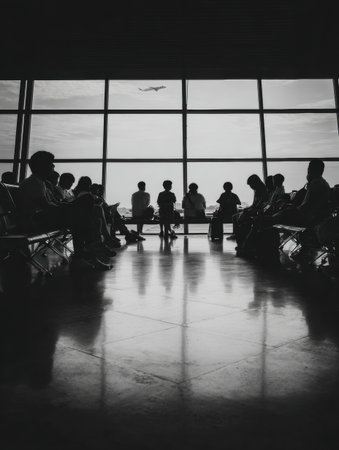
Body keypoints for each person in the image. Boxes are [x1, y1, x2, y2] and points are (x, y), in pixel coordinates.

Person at [17, 151, 117, 268]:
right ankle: (90, 248)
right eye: (51, 164)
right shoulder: (33, 183)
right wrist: (71, 206)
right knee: (87, 205)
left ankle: (87, 252)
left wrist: (69, 206)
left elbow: (51, 205)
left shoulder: (40, 182)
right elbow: (47, 207)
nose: (53, 167)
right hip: (38, 221)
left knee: (89, 212)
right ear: (41, 166)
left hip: (44, 218)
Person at [232, 174, 268, 248]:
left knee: (238, 217)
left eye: (251, 185)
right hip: (256, 209)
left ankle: (241, 238)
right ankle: (240, 237)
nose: (251, 187)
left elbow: (259, 205)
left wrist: (247, 210)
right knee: (235, 216)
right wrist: (247, 209)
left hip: (258, 211)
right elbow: (254, 204)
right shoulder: (258, 190)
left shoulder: (263, 191)